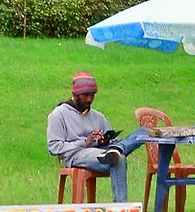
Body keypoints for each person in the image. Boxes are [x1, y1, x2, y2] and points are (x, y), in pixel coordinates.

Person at [46, 72, 132, 201]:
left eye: (92, 95)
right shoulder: (59, 114)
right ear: (75, 94)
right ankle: (119, 208)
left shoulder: (98, 116)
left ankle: (120, 209)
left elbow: (109, 139)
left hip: (99, 153)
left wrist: (104, 141)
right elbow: (53, 147)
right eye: (85, 95)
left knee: (119, 158)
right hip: (74, 156)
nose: (89, 99)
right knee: (115, 159)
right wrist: (85, 142)